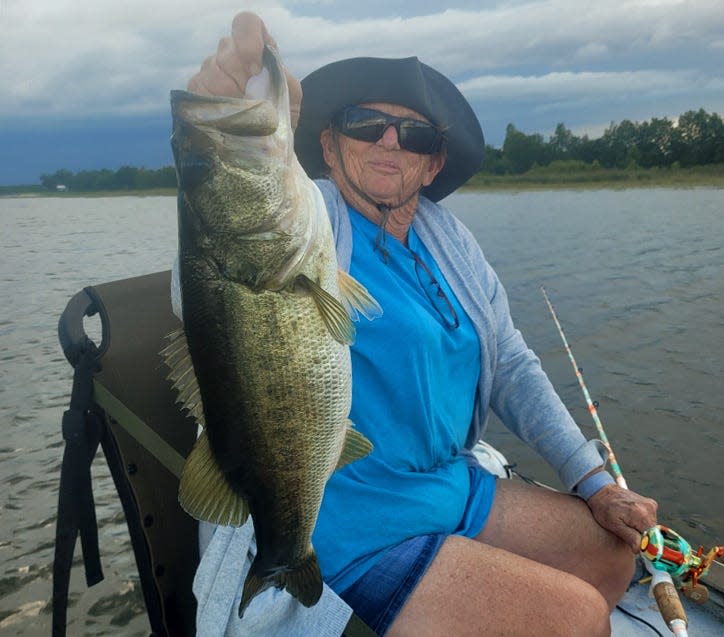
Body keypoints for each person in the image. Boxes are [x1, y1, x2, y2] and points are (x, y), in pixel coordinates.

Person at [186, 12, 658, 637]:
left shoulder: (448, 240)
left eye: (414, 135)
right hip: (347, 517)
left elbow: (512, 364)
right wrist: (212, 121)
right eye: (365, 123)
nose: (389, 141)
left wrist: (592, 480)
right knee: (574, 617)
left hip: (445, 486)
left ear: (433, 165)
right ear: (326, 146)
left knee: (611, 556)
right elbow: (218, 268)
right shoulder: (311, 221)